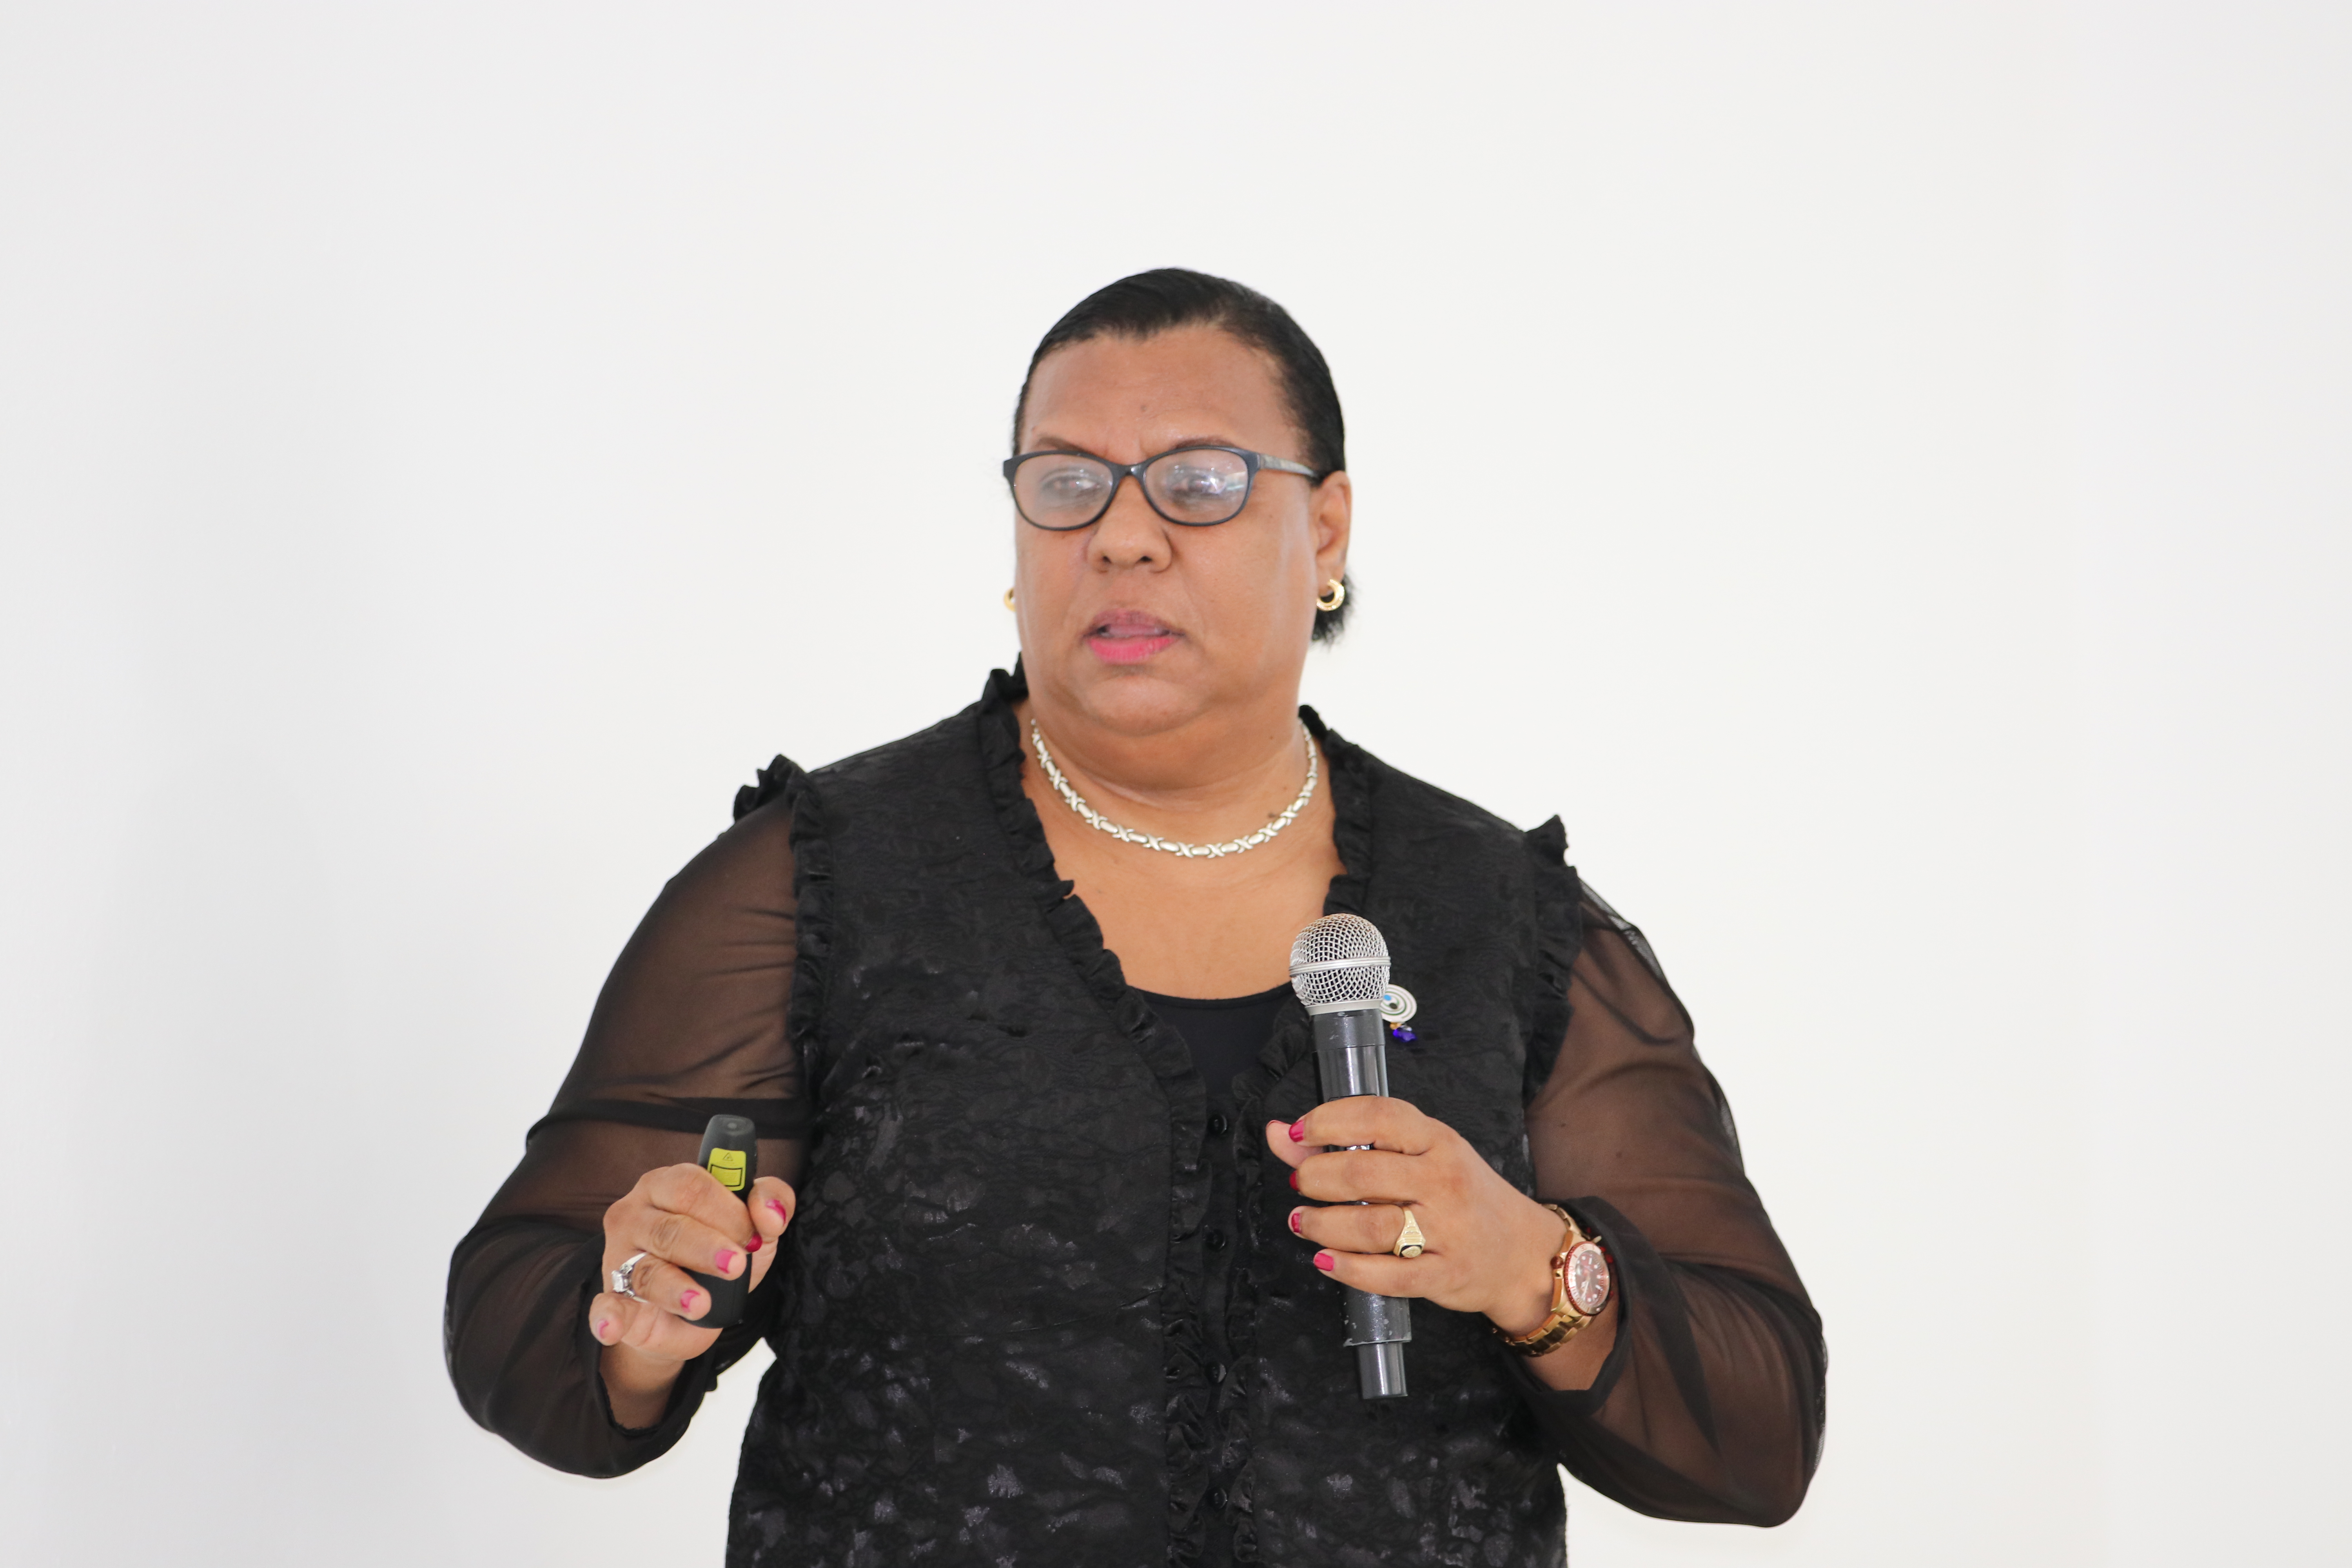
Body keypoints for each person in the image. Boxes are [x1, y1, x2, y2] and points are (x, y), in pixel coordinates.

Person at [445, 268, 1825, 1566]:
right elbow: (525, 1332)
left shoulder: (1504, 916)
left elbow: (1762, 1444)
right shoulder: (821, 880)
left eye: (1200, 483)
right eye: (1066, 485)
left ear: (1326, 529)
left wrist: (1531, 1266)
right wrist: (640, 1323)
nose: (1120, 536)